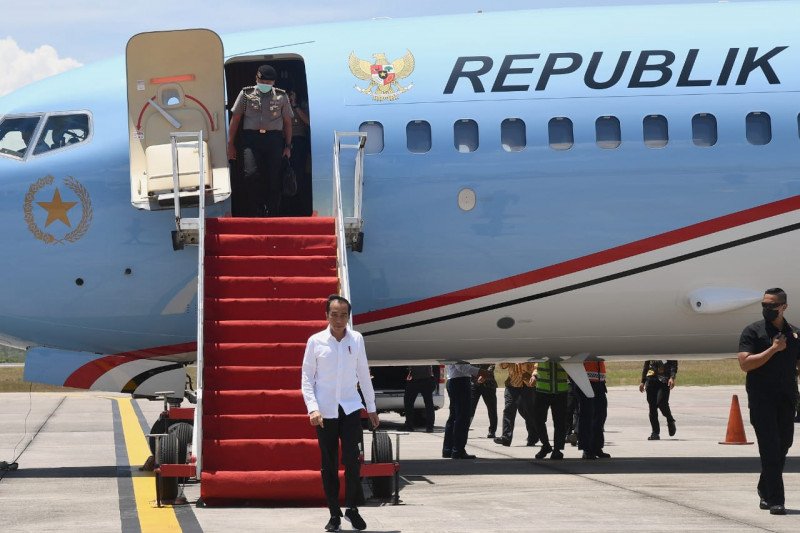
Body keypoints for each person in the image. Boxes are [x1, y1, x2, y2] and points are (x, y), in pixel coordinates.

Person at [300, 294, 378, 532]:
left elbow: (363, 374)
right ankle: (334, 513)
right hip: (324, 412)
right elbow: (306, 379)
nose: (339, 319)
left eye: (343, 315)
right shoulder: (316, 341)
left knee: (353, 461)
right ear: (326, 315)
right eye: (334, 314)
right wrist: (312, 408)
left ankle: (352, 509)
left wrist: (372, 407)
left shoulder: (356, 339)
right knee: (329, 464)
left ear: (349, 316)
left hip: (350, 407)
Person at [737, 287, 800, 516]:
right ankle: (776, 500)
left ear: (783, 307)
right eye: (764, 305)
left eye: (771, 306)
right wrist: (773, 350)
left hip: (787, 398)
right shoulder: (753, 332)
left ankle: (765, 488)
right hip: (761, 398)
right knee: (770, 448)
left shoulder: (795, 334)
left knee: (784, 444)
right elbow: (745, 364)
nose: (766, 309)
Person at [227, 64, 292, 217]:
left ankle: (273, 211)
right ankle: (257, 209)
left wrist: (288, 146)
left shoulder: (281, 96)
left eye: (269, 83)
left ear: (274, 82)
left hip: (274, 139)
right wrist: (230, 144)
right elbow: (235, 119)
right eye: (263, 82)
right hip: (251, 139)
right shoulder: (245, 94)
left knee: (274, 176)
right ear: (257, 79)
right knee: (251, 174)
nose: (265, 86)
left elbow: (287, 122)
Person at [443, 363, 489, 459]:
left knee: (454, 417)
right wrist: (480, 372)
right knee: (462, 417)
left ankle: (448, 449)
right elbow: (461, 366)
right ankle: (458, 450)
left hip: (454, 381)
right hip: (460, 382)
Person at [281, 87, 312, 216]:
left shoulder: (302, 106)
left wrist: (295, 105)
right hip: (283, 142)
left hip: (298, 140)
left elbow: (308, 122)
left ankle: (298, 207)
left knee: (298, 174)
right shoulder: (279, 107)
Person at [531, 361, 569, 460]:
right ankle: (546, 445)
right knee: (537, 420)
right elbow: (537, 365)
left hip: (560, 390)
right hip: (542, 390)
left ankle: (557, 449)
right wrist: (534, 375)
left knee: (560, 422)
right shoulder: (544, 348)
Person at [494, 363, 537, 447]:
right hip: (512, 383)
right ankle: (506, 437)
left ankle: (533, 436)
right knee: (508, 410)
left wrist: (535, 375)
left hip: (527, 384)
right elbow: (502, 366)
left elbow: (537, 364)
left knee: (529, 411)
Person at [576, 360, 610, 459]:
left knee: (600, 417)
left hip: (600, 383)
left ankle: (597, 447)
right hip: (586, 382)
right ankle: (586, 449)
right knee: (587, 417)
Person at [639, 360, 678, 440]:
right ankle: (655, 432)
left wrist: (672, 377)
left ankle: (670, 420)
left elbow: (674, 363)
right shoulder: (650, 349)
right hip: (651, 380)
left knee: (662, 403)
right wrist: (643, 381)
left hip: (664, 380)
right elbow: (646, 365)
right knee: (652, 408)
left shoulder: (667, 349)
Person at [403, 365, 436, 432]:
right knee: (429, 404)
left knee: (408, 402)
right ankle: (430, 427)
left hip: (415, 379)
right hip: (426, 378)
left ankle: (409, 426)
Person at [470, 364, 498, 438]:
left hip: (488, 383)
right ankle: (465, 429)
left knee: (492, 408)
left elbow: (492, 365)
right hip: (474, 382)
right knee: (470, 408)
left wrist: (484, 376)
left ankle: (492, 431)